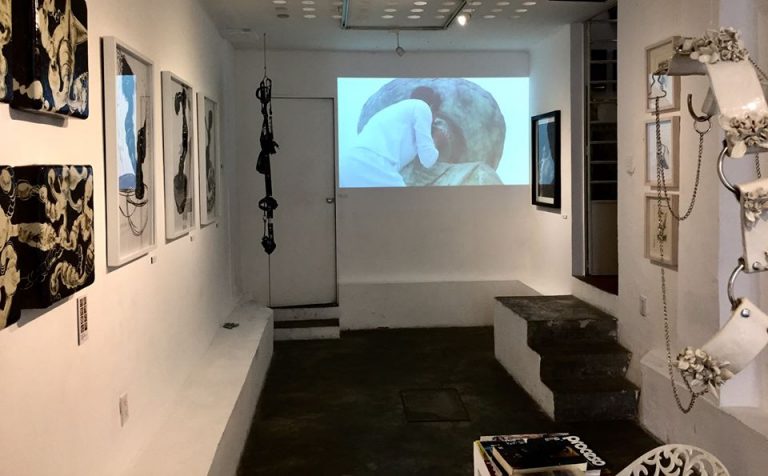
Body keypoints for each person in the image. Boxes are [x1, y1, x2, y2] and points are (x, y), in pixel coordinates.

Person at [340, 86, 447, 187]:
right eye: (436, 114)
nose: (434, 120)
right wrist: (437, 140)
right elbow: (428, 160)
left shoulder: (394, 113)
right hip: (373, 163)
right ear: (432, 106)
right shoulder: (421, 107)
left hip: (347, 165)